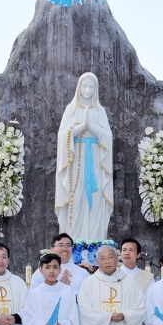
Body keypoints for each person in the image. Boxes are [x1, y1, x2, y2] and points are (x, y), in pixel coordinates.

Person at [55, 72, 113, 240]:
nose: (87, 90)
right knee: (77, 196)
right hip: (75, 160)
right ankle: (73, 240)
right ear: (79, 88)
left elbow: (107, 136)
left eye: (91, 87)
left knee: (95, 200)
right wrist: (81, 127)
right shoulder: (70, 109)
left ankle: (95, 239)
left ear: (96, 90)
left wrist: (92, 127)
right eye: (84, 86)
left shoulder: (99, 111)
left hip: (95, 159)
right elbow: (62, 135)